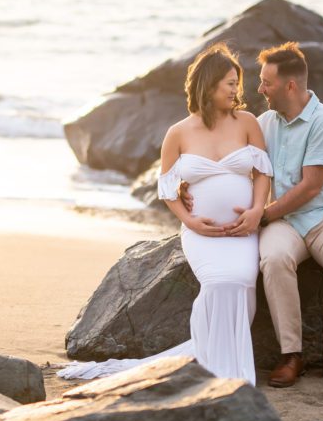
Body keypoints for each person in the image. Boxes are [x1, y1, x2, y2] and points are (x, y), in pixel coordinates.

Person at [58, 43, 272, 383]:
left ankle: (216, 355)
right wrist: (189, 221)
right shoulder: (178, 133)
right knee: (218, 282)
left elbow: (263, 173)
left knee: (242, 280)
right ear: (209, 83)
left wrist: (256, 211)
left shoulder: (247, 123)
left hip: (242, 230)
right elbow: (167, 188)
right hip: (202, 233)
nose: (237, 90)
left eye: (237, 83)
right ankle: (217, 361)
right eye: (230, 83)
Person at [226, 41, 323, 387]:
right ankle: (292, 355)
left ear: (290, 85)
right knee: (273, 260)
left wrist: (263, 215)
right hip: (285, 222)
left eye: (266, 82)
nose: (259, 89)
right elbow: (237, 165)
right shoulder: (263, 123)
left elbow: (311, 187)